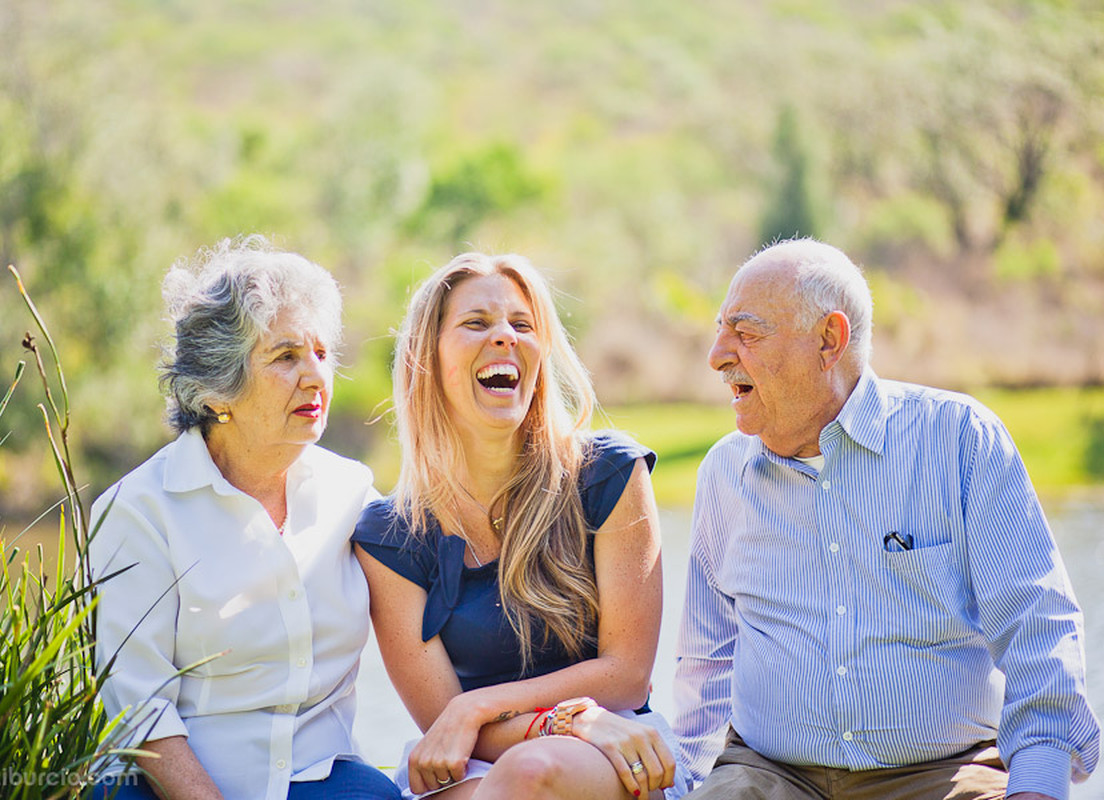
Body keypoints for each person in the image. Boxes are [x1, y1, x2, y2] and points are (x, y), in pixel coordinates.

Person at [672, 238, 1100, 800]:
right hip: (768, 775)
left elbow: (1037, 627)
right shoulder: (724, 473)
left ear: (829, 340)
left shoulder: (959, 440)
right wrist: (686, 785)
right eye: (721, 329)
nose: (718, 355)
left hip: (944, 773)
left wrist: (1037, 789)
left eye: (745, 332)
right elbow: (707, 662)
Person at [351, 252, 689, 800]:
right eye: (477, 323)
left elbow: (626, 674)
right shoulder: (390, 535)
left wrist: (479, 704)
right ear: (426, 357)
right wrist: (551, 722)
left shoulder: (607, 474)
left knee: (530, 774)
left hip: (613, 742)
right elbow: (444, 731)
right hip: (481, 760)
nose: (505, 337)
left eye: (523, 325)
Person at [89, 236, 401, 800]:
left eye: (322, 354)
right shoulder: (138, 511)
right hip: (172, 788)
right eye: (285, 357)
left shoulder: (353, 493)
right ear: (217, 390)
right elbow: (138, 703)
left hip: (322, 779)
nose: (316, 377)